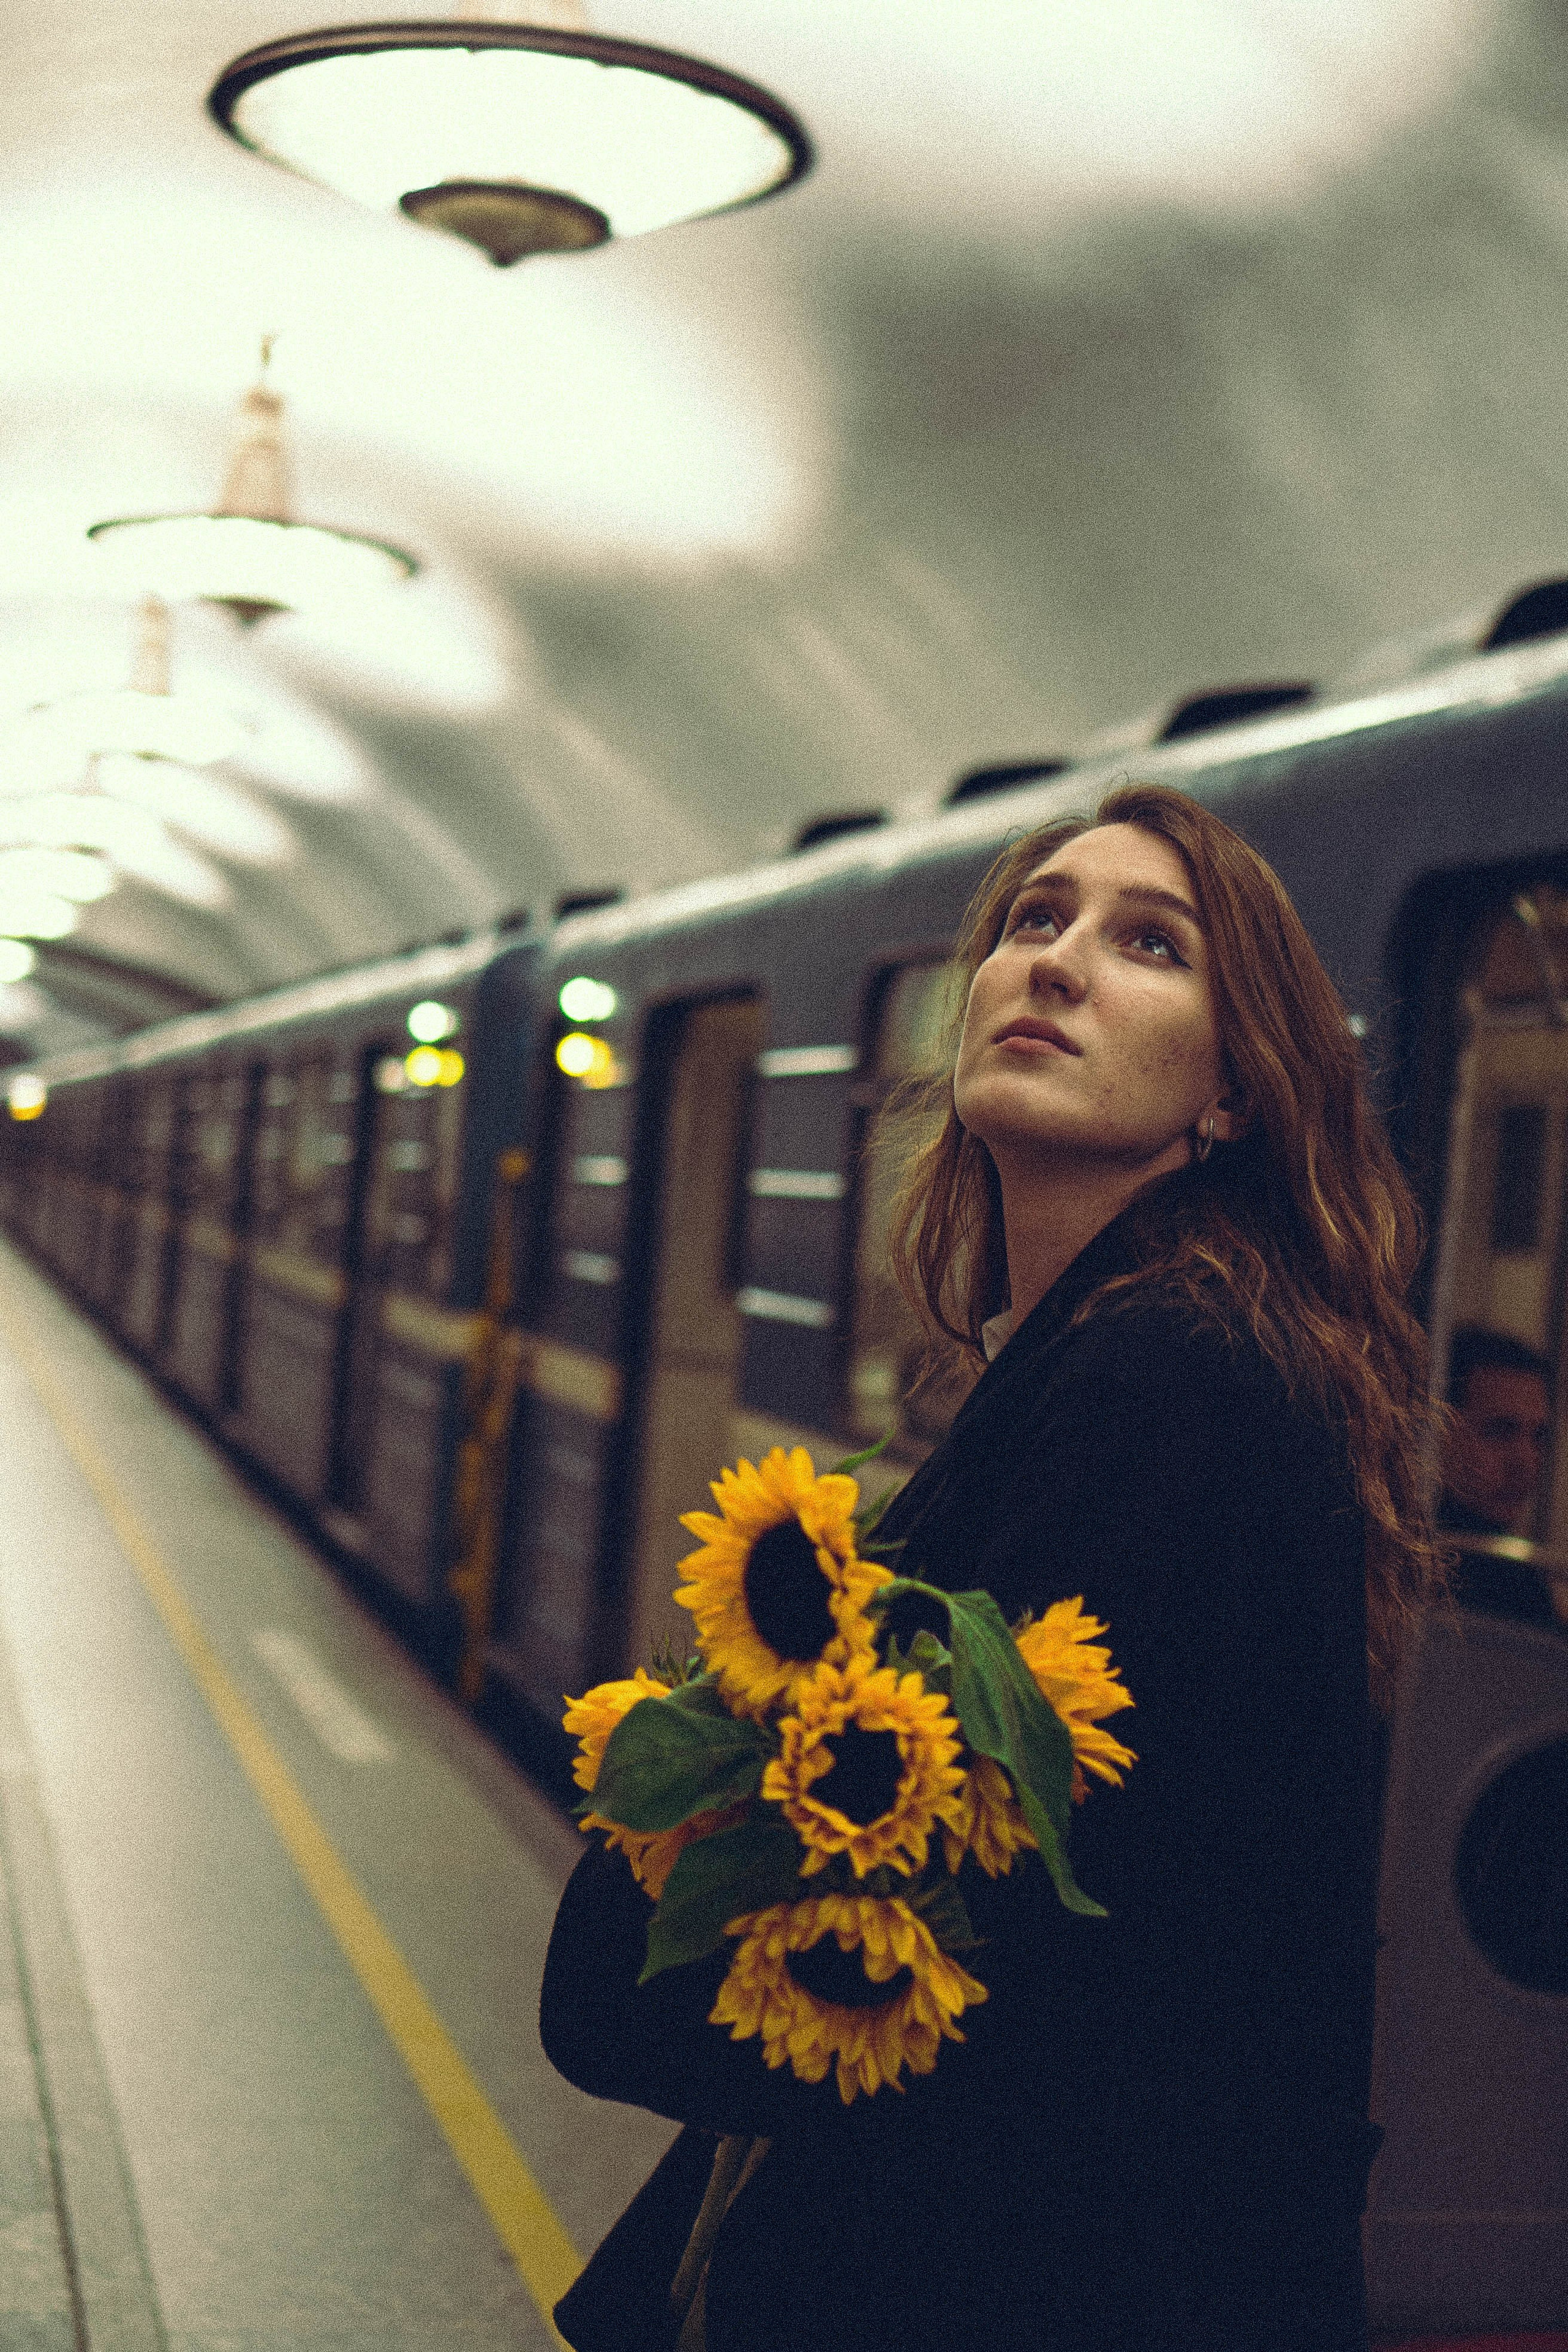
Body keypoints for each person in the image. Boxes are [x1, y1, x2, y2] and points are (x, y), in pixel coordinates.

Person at [539, 782, 1444, 2352]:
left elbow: (1007, 1970)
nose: (1055, 960)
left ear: (1230, 1094)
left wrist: (644, 1923)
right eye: (1033, 918)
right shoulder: (1120, 1351)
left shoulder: (1167, 1381)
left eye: (1146, 942)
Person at [1439, 1325, 1560, 1629]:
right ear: (1436, 1431)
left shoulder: (1508, 1564)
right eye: (1500, 1432)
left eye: (1539, 1438)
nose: (1527, 1461)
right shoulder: (1493, 1571)